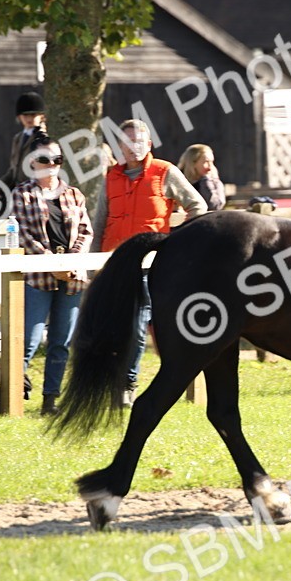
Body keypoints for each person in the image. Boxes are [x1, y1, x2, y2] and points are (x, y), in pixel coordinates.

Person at [92, 119, 207, 402]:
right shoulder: (110, 178)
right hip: (111, 264)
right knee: (110, 327)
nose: (134, 148)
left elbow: (198, 206)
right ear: (120, 146)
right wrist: (91, 264)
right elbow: (99, 223)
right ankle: (108, 382)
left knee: (137, 324)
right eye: (127, 143)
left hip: (147, 264)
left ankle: (127, 386)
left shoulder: (165, 172)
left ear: (149, 144)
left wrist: (179, 242)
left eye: (139, 142)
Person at [11, 133, 92, 415]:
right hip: (39, 277)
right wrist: (51, 264)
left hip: (71, 276)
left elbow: (85, 230)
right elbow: (22, 234)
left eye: (57, 159)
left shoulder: (74, 194)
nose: (52, 165)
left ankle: (50, 401)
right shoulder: (22, 193)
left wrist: (71, 261)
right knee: (28, 342)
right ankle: (11, 398)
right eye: (45, 159)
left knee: (61, 342)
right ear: (33, 163)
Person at [5, 91, 46, 187]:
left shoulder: (44, 138)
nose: (29, 119)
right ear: (19, 117)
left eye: (33, 115)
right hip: (18, 188)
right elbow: (13, 169)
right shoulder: (18, 138)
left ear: (42, 116)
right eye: (25, 115)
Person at [177, 144, 226, 212]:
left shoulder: (213, 182)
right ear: (193, 163)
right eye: (206, 162)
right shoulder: (178, 181)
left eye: (212, 162)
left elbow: (215, 206)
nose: (210, 167)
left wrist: (207, 182)